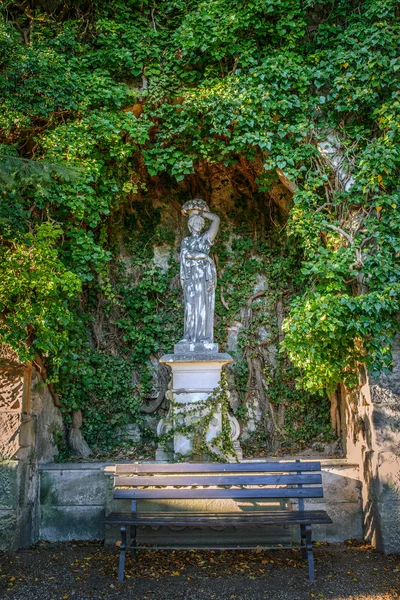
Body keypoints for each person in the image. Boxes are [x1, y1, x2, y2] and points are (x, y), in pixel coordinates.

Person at [179, 202, 220, 344]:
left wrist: (201, 213)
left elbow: (216, 220)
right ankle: (188, 337)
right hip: (190, 276)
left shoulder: (205, 240)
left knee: (203, 306)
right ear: (190, 225)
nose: (198, 224)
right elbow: (185, 255)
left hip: (202, 276)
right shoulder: (186, 241)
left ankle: (203, 337)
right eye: (195, 222)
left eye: (200, 222)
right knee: (190, 306)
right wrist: (203, 256)